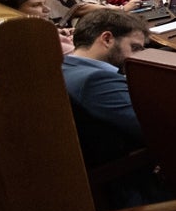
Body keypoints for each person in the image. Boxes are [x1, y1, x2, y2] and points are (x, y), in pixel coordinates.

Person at [61, 9, 150, 180]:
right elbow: (153, 130)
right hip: (129, 179)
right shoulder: (94, 80)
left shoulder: (67, 65)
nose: (138, 56)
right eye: (135, 48)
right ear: (107, 39)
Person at [0, 0, 75, 53]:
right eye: (36, 5)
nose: (47, 9)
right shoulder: (37, 38)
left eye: (44, 3)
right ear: (12, 11)